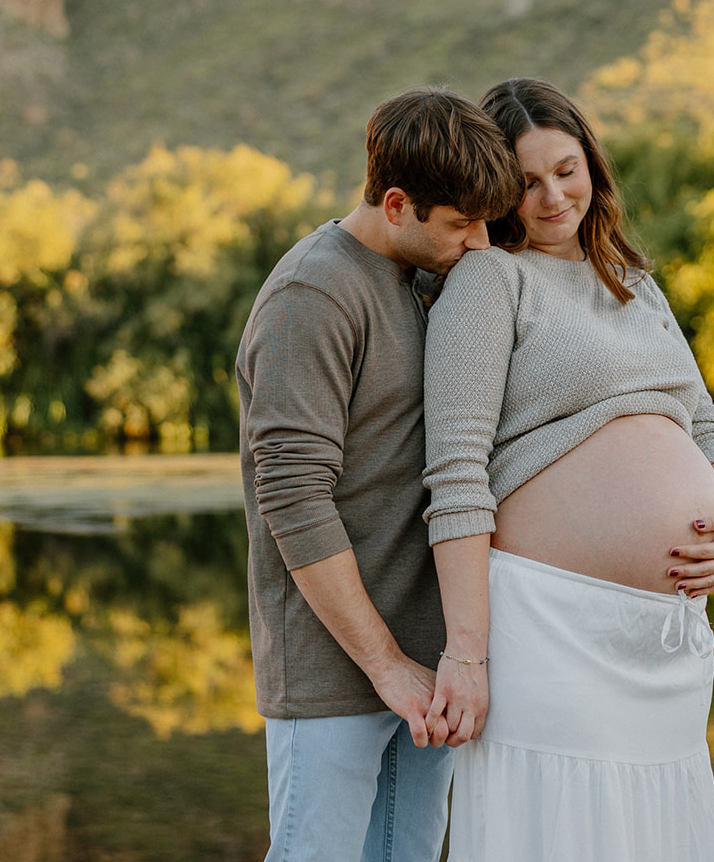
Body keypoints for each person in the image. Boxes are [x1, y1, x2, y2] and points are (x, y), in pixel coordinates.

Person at [422, 78, 714, 862]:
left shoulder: (632, 281)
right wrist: (465, 653)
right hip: (547, 631)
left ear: (592, 166)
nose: (551, 197)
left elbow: (703, 420)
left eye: (566, 169)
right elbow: (456, 475)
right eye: (526, 180)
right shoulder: (489, 282)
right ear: (497, 192)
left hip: (663, 641)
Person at [236, 86, 523, 862]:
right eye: (461, 225)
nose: (480, 243)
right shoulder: (313, 294)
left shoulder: (430, 278)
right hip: (338, 672)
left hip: (425, 672)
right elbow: (292, 497)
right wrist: (384, 665)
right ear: (396, 203)